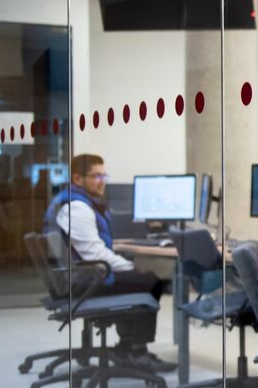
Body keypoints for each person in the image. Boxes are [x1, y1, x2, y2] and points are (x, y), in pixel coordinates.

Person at [42, 153, 174, 372]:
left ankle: (128, 348)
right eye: (96, 176)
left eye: (104, 175)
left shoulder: (73, 201)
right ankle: (135, 352)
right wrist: (130, 267)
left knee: (140, 277)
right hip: (84, 282)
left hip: (76, 278)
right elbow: (95, 254)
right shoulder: (77, 207)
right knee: (150, 281)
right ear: (77, 178)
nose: (103, 181)